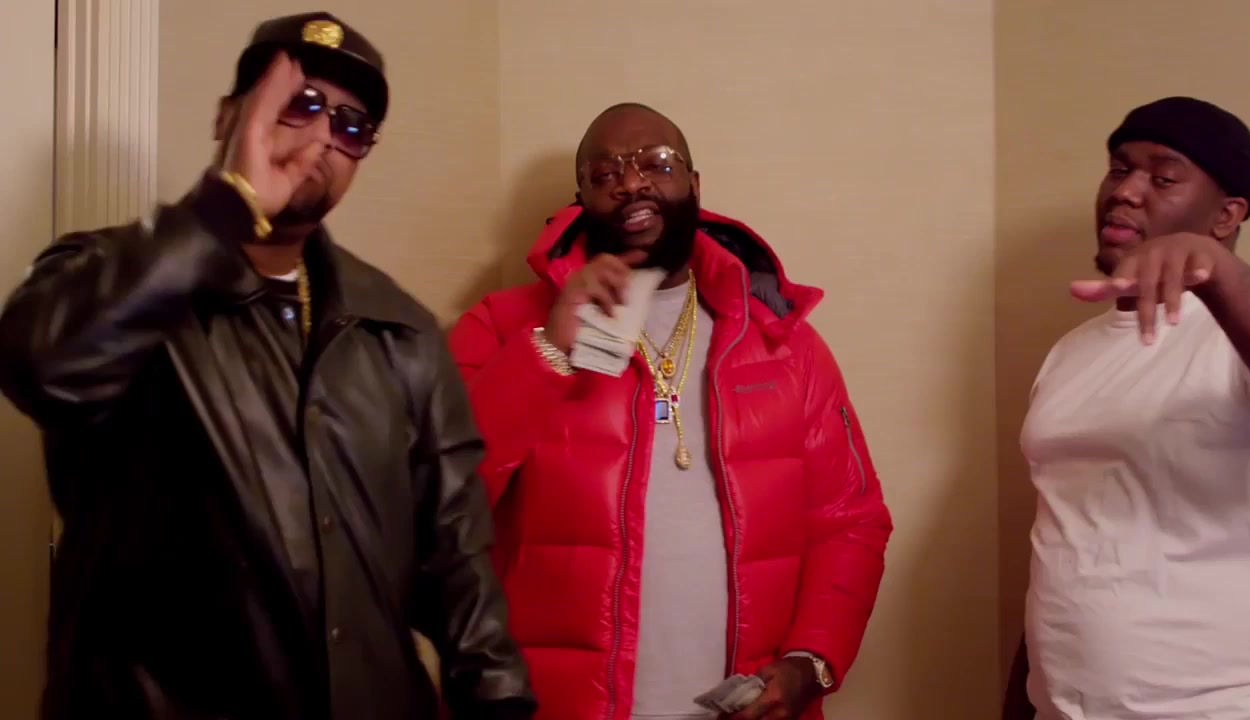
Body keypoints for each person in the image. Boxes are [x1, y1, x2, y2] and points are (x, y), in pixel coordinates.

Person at [0, 12, 533, 720]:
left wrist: (499, 702)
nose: (322, 136)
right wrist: (226, 208)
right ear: (228, 116)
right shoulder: (110, 278)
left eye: (351, 125)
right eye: (299, 104)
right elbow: (39, 363)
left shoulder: (398, 328)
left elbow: (458, 560)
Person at [448, 103, 893, 720]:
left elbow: (851, 522)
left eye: (656, 163)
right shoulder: (499, 327)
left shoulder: (784, 342)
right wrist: (547, 351)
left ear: (694, 184)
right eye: (605, 174)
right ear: (581, 200)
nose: (631, 183)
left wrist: (811, 661)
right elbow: (440, 506)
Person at [1014, 96, 1250, 719]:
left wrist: (1218, 274)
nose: (1126, 192)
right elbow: (1064, 537)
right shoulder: (1070, 352)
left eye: (1163, 178)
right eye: (1119, 168)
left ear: (1226, 215)